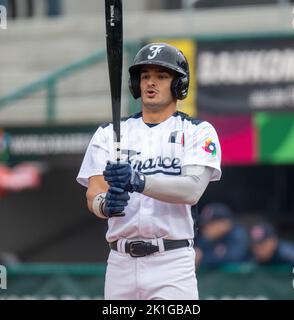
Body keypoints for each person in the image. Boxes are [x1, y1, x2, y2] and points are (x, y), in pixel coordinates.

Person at [77, 43, 222, 300]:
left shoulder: (198, 131)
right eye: (145, 76)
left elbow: (191, 190)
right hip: (120, 262)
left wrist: (139, 180)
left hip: (171, 261)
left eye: (161, 76)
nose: (150, 83)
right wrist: (105, 205)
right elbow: (94, 193)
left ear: (179, 84)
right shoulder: (109, 133)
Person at [194, 203, 249, 269]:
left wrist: (202, 258)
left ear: (224, 222)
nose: (207, 228)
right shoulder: (208, 237)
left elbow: (234, 258)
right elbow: (198, 252)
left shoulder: (238, 234)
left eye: (211, 224)